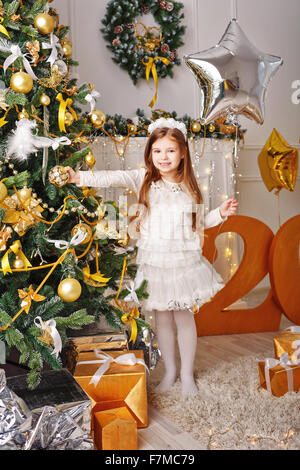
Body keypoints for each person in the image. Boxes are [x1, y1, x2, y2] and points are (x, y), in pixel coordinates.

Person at [66, 117, 238, 397]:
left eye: (170, 150)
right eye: (157, 151)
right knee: (162, 320)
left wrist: (220, 213)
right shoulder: (144, 179)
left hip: (182, 264)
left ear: (183, 152)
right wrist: (79, 177)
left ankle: (186, 375)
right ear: (150, 154)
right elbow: (112, 176)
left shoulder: (191, 186)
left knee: (183, 317)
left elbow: (199, 222)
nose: (163, 157)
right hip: (155, 262)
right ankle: (170, 371)